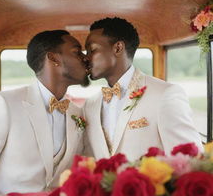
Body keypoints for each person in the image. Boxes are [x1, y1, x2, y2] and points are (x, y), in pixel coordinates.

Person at [0, 30, 89, 196]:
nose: (86, 58)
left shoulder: (76, 113)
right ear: (54, 58)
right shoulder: (4, 104)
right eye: (77, 52)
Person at [83, 17, 203, 161]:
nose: (86, 58)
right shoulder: (90, 105)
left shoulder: (164, 95)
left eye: (92, 50)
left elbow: (191, 161)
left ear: (118, 48)